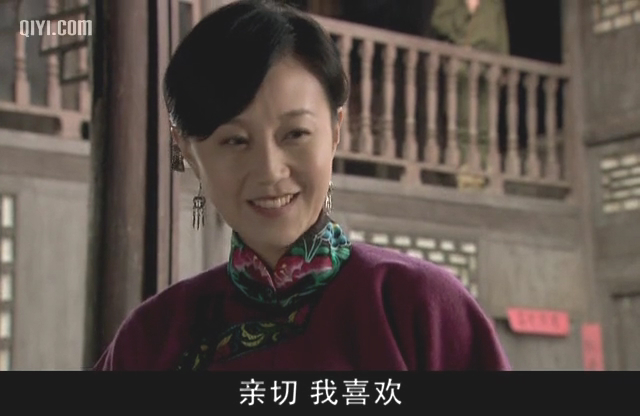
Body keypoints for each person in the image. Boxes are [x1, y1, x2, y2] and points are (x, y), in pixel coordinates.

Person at [93, 0, 510, 371]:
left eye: (295, 134)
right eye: (235, 141)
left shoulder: (419, 308)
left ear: (336, 128)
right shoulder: (153, 339)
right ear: (187, 150)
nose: (269, 170)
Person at [430, 0, 510, 176]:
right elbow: (439, 22)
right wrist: (466, 10)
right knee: (464, 122)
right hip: (464, 63)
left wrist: (504, 64)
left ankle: (485, 172)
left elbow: (501, 31)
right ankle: (466, 174)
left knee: (487, 125)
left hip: (490, 64)